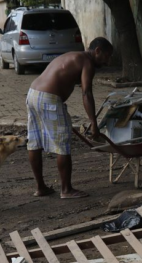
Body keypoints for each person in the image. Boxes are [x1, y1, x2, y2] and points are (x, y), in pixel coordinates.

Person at [26, 37, 113, 199]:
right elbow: (86, 93)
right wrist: (94, 123)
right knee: (63, 143)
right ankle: (66, 190)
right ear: (98, 51)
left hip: (33, 94)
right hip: (49, 99)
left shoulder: (73, 55)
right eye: (107, 56)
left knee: (35, 142)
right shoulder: (87, 62)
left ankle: (41, 187)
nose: (108, 61)